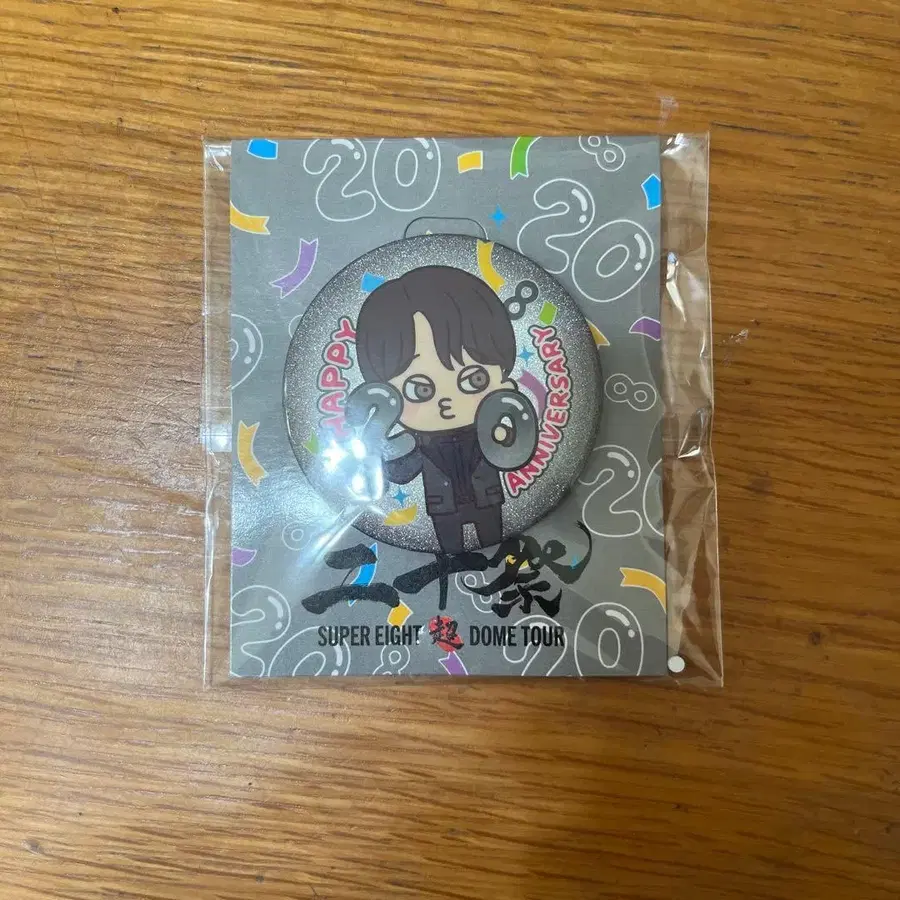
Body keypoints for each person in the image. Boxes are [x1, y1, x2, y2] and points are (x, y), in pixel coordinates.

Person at [355, 265, 527, 553]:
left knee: (495, 545)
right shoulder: (415, 442)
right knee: (449, 554)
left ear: (504, 381)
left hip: (487, 499)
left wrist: (503, 432)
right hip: (442, 508)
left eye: (475, 380)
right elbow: (400, 472)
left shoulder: (488, 430)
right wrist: (381, 456)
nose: (447, 401)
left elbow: (513, 450)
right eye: (420, 389)